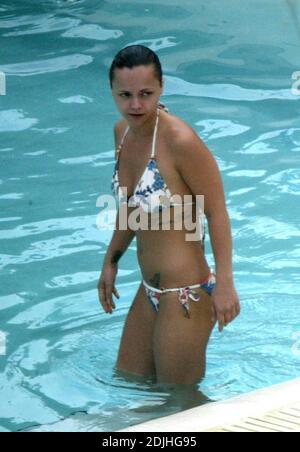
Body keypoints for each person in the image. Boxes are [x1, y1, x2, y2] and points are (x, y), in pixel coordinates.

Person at [98, 45, 240, 386]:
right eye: (125, 95)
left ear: (161, 87)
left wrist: (225, 284)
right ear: (112, 92)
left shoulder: (180, 140)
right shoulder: (123, 134)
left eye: (146, 94)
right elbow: (133, 207)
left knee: (181, 405)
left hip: (187, 293)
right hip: (148, 289)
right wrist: (111, 260)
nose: (135, 105)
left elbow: (216, 211)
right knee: (128, 381)